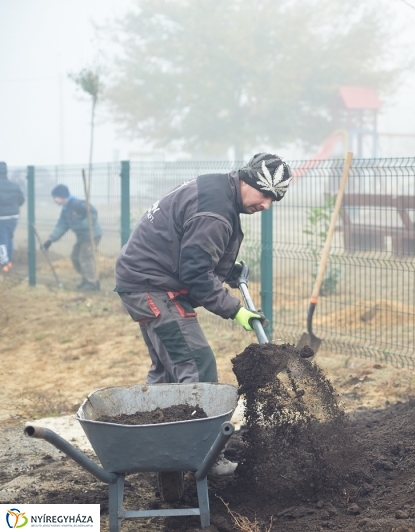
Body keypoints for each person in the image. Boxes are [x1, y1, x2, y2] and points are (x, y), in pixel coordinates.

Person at [114, 153, 292, 477]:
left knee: (168, 370)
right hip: (153, 288)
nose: (267, 204)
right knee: (197, 363)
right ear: (247, 180)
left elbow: (190, 244)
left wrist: (225, 267)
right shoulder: (217, 213)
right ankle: (200, 457)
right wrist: (236, 310)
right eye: (264, 194)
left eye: (274, 199)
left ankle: (152, 449)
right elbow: (195, 271)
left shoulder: (217, 188)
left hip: (142, 280)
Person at [41, 184, 103, 290]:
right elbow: (61, 226)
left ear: (61, 196)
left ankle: (91, 283)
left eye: (54, 197)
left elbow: (93, 212)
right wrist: (50, 240)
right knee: (75, 257)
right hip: (82, 237)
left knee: (85, 257)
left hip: (92, 235)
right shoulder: (66, 210)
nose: (54, 200)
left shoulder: (78, 204)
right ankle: (86, 279)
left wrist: (85, 224)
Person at [0, 162, 25, 273]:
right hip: (13, 217)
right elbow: (21, 200)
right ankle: (9, 260)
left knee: (2, 241)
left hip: (1, 217)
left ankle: (4, 264)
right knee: (9, 238)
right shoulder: (14, 185)